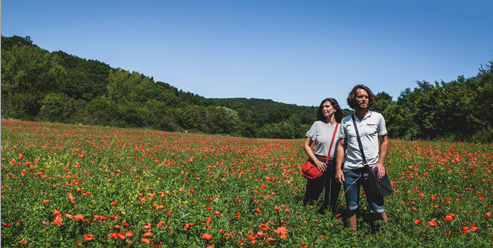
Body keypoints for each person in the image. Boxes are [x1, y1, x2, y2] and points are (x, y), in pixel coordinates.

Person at [335, 84, 389, 231]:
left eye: (366, 97)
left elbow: (384, 141)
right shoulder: (346, 121)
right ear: (354, 99)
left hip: (371, 169)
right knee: (351, 206)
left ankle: (387, 236)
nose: (364, 99)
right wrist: (338, 169)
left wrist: (380, 163)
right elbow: (341, 146)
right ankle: (354, 237)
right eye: (360, 96)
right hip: (350, 170)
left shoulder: (377, 117)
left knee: (378, 207)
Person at [303, 98, 344, 214]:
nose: (324, 109)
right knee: (312, 195)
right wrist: (316, 161)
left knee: (332, 197)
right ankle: (307, 217)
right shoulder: (318, 125)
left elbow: (345, 148)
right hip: (319, 163)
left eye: (327, 106)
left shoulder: (341, 127)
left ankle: (329, 218)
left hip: (335, 164)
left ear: (335, 109)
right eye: (323, 107)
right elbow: (306, 145)